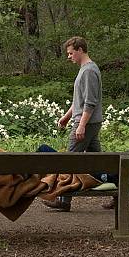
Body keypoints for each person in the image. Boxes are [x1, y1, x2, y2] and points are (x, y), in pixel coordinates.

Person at [43, 36, 103, 212]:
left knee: (68, 160)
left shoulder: (89, 71)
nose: (68, 57)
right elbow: (79, 100)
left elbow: (90, 102)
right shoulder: (84, 70)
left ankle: (63, 199)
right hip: (87, 122)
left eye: (70, 53)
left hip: (86, 123)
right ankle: (122, 190)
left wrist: (81, 125)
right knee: (100, 163)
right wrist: (66, 116)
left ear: (80, 50)